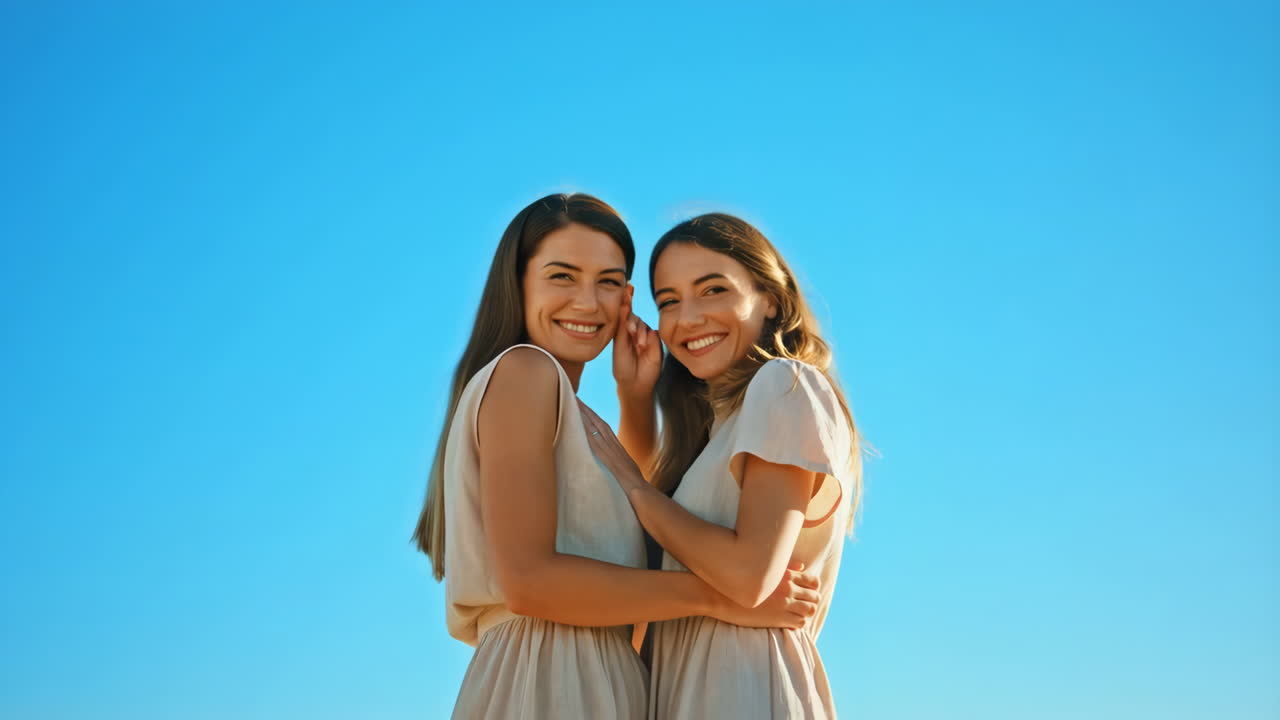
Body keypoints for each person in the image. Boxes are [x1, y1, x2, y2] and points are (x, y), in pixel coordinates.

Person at [411, 196, 823, 720]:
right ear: (516, 285)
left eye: (607, 281)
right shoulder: (525, 372)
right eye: (563, 276)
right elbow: (531, 581)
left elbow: (638, 541)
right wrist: (722, 598)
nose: (588, 302)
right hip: (546, 681)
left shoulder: (574, 412)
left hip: (601, 681)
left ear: (627, 298)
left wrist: (634, 398)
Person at [586, 212, 862, 719]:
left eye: (712, 290)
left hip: (747, 688)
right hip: (688, 691)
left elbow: (748, 576)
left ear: (771, 298)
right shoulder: (717, 432)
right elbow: (641, 564)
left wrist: (636, 488)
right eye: (668, 301)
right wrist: (635, 396)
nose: (687, 318)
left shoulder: (784, 385)